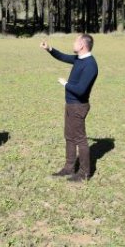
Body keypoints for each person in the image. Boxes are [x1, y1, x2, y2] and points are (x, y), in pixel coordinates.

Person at [40, 34, 98, 182]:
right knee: (69, 137)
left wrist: (65, 83)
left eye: (76, 41)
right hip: (71, 104)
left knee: (80, 139)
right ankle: (69, 168)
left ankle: (84, 173)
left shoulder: (90, 65)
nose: (73, 43)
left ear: (82, 45)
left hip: (78, 106)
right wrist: (49, 49)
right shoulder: (79, 59)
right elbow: (63, 57)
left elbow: (81, 90)